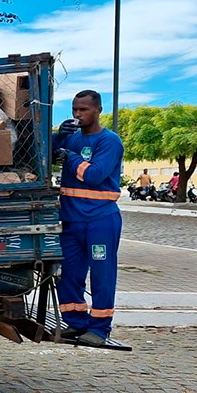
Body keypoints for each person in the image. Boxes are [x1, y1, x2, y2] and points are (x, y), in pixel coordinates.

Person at [52, 90, 124, 346]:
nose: (77, 114)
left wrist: (71, 158)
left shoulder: (109, 141)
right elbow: (45, 153)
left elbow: (94, 176)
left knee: (102, 274)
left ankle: (100, 328)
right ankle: (76, 321)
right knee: (69, 273)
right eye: (75, 109)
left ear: (98, 110)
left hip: (100, 220)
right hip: (72, 220)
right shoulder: (71, 138)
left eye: (83, 110)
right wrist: (58, 136)